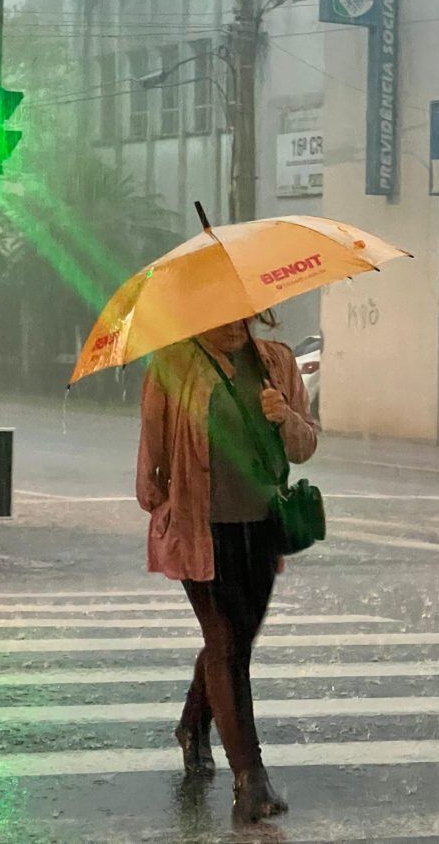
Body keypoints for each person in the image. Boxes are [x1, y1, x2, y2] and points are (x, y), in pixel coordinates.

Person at [136, 314, 317, 823]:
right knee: (226, 643)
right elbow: (151, 457)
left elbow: (304, 449)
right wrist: (163, 509)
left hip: (260, 528)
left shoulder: (276, 362)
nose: (234, 324)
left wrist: (285, 417)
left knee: (234, 642)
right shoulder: (173, 364)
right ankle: (251, 778)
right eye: (221, 315)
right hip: (201, 528)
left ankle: (194, 724)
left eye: (242, 314)